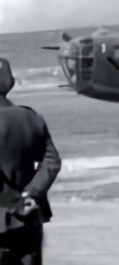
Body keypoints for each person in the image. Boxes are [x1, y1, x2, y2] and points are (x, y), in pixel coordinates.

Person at [0, 58, 61, 264]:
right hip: (30, 217)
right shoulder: (31, 117)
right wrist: (31, 193)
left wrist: (13, 203)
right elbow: (52, 161)